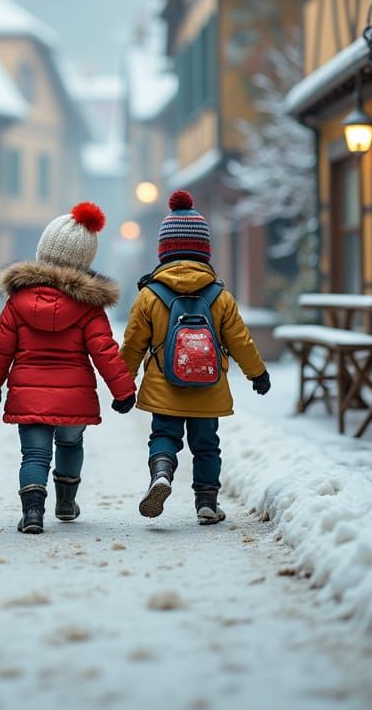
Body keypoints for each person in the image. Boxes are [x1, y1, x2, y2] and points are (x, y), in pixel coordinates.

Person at [0, 202, 137, 534]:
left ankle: (32, 513)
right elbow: (105, 351)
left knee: (34, 455)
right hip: (74, 400)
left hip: (29, 398)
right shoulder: (88, 306)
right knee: (70, 444)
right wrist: (123, 392)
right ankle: (66, 502)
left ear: (43, 251)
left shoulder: (18, 301)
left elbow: (0, 349)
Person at [120, 190, 271, 525]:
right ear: (205, 250)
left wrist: (123, 385)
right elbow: (240, 340)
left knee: (163, 436)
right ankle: (206, 502)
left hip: (164, 388)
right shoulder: (220, 296)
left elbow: (133, 344)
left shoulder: (149, 295)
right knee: (206, 446)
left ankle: (161, 473)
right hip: (208, 387)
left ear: (163, 251)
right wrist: (258, 374)